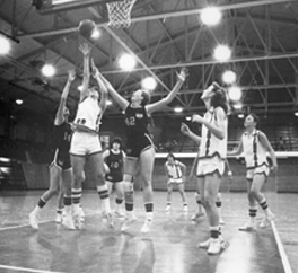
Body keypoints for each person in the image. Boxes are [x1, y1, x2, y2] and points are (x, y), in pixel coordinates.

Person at [102, 68, 187, 233]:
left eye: (137, 91)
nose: (134, 92)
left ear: (141, 98)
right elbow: (112, 90)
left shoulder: (146, 109)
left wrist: (180, 82)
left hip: (146, 145)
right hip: (131, 146)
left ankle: (149, 218)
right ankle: (130, 215)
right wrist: (99, 74)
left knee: (145, 182)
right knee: (126, 184)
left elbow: (168, 99)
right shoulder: (126, 106)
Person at [181, 81, 229, 255]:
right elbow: (205, 142)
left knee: (209, 199)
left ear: (213, 95)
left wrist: (202, 121)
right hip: (203, 159)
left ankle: (216, 240)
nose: (204, 90)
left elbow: (221, 134)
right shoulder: (208, 114)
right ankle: (215, 235)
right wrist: (189, 134)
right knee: (203, 200)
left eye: (208, 89)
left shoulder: (218, 111)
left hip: (214, 159)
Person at [69, 43, 112, 228]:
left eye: (94, 90)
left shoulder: (100, 106)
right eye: (91, 89)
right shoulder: (82, 100)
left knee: (100, 175)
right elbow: (85, 77)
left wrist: (97, 75)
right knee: (77, 178)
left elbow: (104, 91)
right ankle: (76, 211)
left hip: (93, 140)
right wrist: (86, 57)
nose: (93, 90)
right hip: (78, 139)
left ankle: (106, 208)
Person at [29, 69, 75, 230]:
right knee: (54, 189)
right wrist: (69, 82)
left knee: (68, 190)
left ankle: (67, 217)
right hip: (57, 155)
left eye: (67, 108)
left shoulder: (71, 126)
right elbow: (63, 98)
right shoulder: (59, 121)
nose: (66, 108)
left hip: (68, 157)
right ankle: (35, 212)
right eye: (63, 108)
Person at [228, 113, 277, 230]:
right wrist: (223, 153)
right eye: (246, 119)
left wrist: (274, 164)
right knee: (250, 196)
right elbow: (237, 152)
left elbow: (270, 149)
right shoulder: (243, 136)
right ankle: (251, 222)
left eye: (249, 118)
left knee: (255, 191)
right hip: (249, 168)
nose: (246, 120)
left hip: (261, 166)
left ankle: (269, 213)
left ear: (254, 123)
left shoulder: (260, 135)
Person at [103, 138, 126, 217]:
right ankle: (106, 210)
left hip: (118, 174)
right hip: (110, 174)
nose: (116, 145)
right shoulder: (108, 152)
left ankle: (117, 210)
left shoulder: (122, 153)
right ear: (112, 144)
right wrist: (105, 167)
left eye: (118, 144)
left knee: (120, 193)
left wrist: (124, 174)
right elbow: (100, 160)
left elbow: (124, 163)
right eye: (114, 143)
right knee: (107, 193)